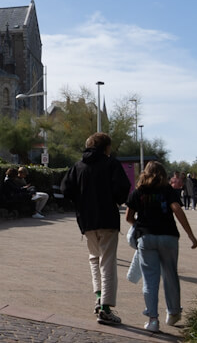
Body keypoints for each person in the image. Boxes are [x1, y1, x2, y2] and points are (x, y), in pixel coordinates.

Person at [60, 132, 131, 325]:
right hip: (107, 217)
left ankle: (99, 298)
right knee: (107, 262)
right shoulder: (111, 164)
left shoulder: (78, 166)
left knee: (94, 259)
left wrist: (80, 201)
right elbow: (123, 188)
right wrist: (115, 201)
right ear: (106, 147)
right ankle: (106, 308)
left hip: (87, 220)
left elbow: (66, 189)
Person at [125, 161, 197, 333]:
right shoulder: (168, 191)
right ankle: (173, 313)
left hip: (146, 238)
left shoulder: (138, 192)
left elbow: (128, 217)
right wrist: (190, 235)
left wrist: (140, 225)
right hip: (168, 237)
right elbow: (177, 209)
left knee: (150, 279)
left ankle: (153, 320)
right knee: (170, 274)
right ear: (163, 175)